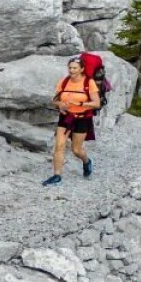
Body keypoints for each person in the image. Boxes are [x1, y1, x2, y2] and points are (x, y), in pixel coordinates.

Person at [45, 56, 99, 186]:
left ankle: (86, 161)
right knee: (59, 145)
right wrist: (59, 105)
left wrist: (80, 103)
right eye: (70, 67)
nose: (71, 70)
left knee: (76, 150)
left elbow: (96, 103)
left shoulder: (89, 83)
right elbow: (54, 100)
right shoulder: (63, 82)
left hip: (82, 118)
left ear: (82, 69)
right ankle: (57, 175)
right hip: (66, 117)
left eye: (75, 68)